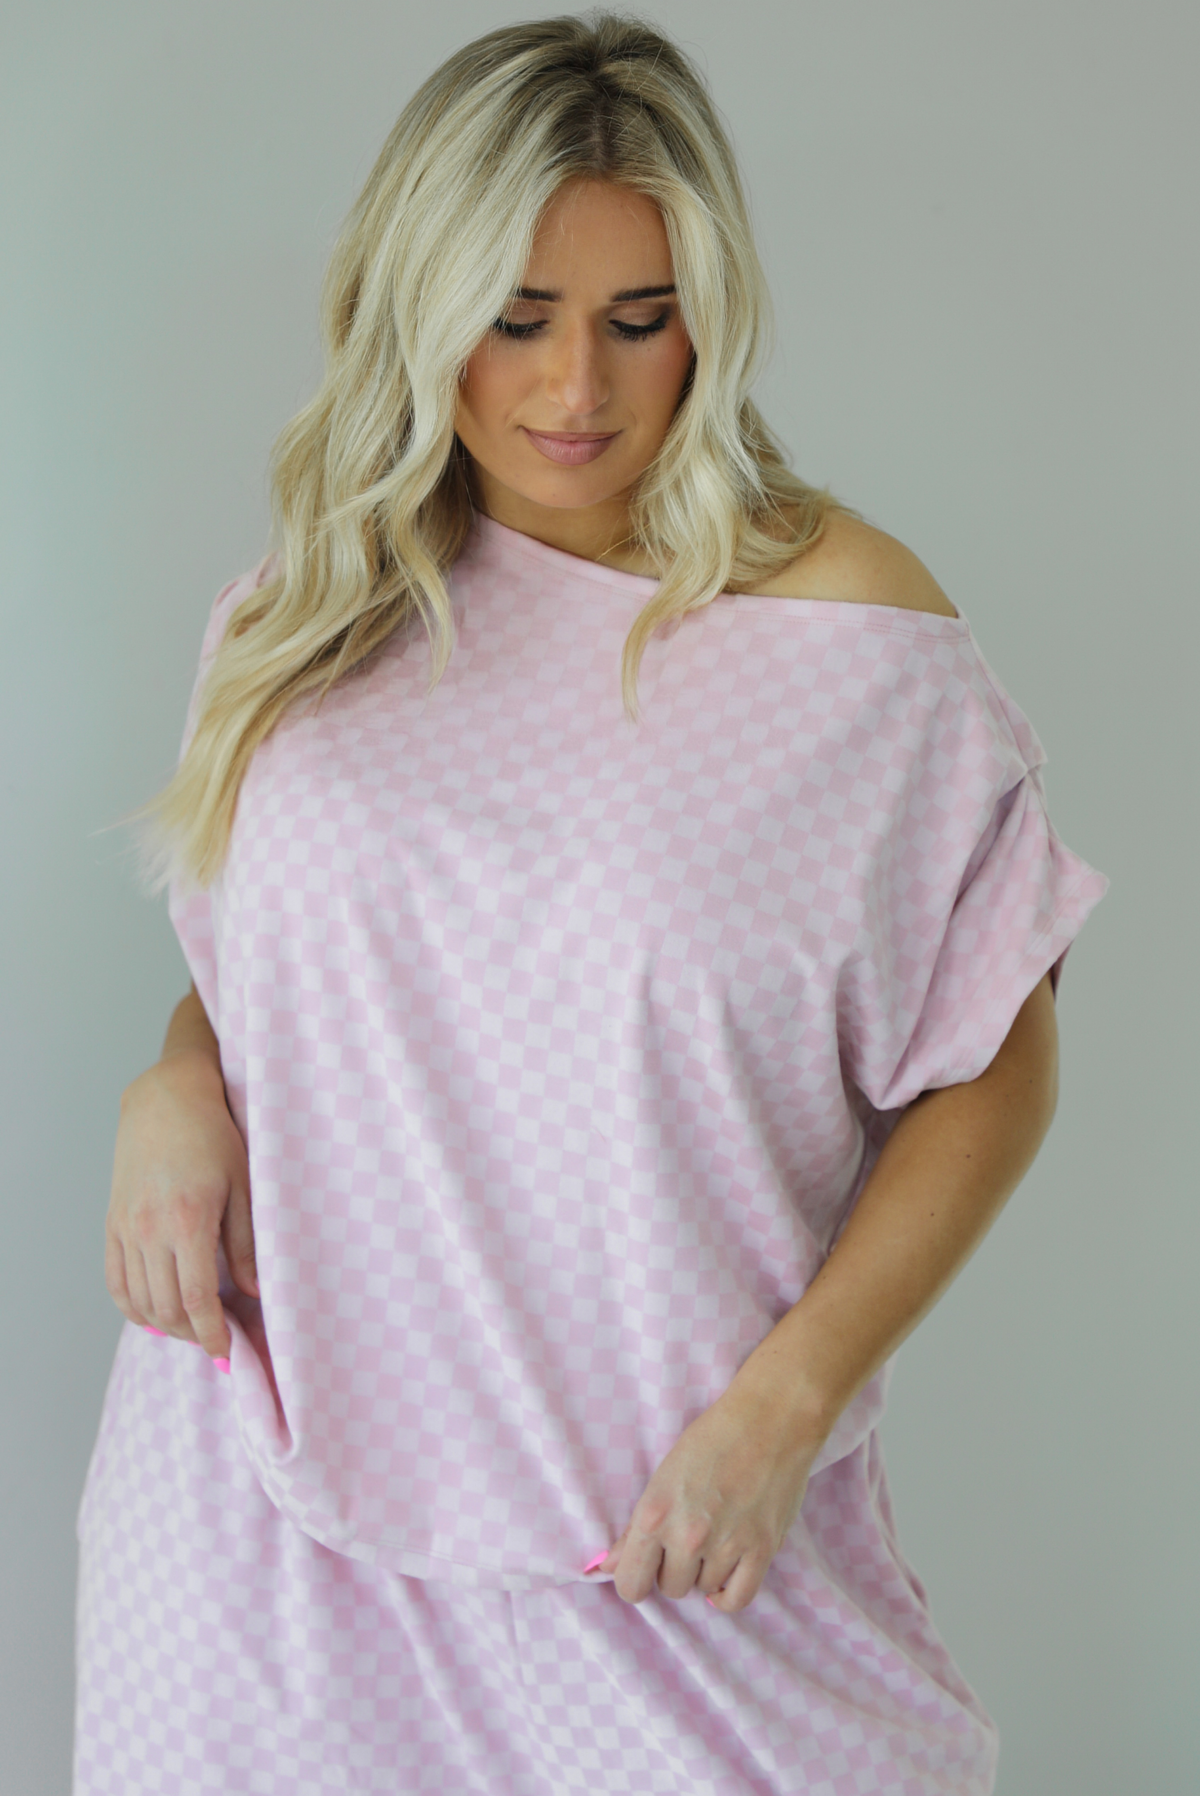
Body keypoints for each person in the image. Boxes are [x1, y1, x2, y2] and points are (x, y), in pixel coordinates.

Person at [77, 13, 1109, 1794]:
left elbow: (995, 1057)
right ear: (419, 311)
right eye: (515, 319)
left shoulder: (846, 638)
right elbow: (288, 995)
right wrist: (172, 1087)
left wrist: (786, 1409)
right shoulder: (302, 625)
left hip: (657, 1538)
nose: (577, 391)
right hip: (263, 1518)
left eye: (640, 319)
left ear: (711, 311)